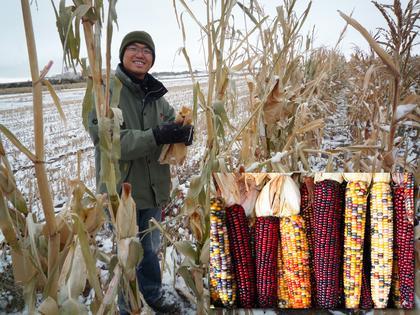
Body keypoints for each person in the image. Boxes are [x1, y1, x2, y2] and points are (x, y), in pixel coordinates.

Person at [88, 31, 193, 313]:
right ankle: (127, 305)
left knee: (149, 250)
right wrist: (156, 136)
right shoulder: (105, 92)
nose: (140, 54)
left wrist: (184, 132)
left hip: (154, 189)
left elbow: (171, 124)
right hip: (121, 192)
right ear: (122, 55)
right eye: (133, 48)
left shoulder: (157, 96)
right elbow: (109, 142)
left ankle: (154, 294)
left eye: (146, 50)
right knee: (128, 253)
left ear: (152, 59)